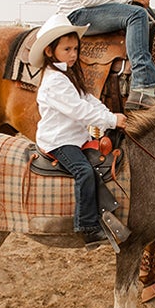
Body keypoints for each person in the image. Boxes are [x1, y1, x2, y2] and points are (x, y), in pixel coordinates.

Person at [31, 13, 127, 250]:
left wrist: (109, 115)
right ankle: (87, 226)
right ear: (50, 51)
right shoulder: (54, 81)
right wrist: (111, 120)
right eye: (67, 49)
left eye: (75, 48)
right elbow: (79, 111)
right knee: (84, 171)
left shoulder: (67, 74)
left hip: (75, 137)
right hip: (59, 141)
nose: (73, 54)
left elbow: (89, 100)